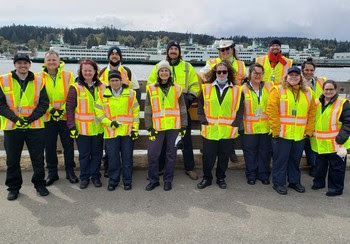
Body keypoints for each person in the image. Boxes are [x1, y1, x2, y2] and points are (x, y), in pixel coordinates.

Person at [147, 40, 200, 180]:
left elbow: (195, 85)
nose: (173, 51)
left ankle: (189, 167)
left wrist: (189, 97)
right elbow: (150, 85)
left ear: (179, 51)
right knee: (163, 141)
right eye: (171, 49)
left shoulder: (187, 67)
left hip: (182, 109)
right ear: (167, 51)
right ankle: (161, 167)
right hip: (163, 112)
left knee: (185, 139)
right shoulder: (159, 66)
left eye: (176, 49)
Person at [0, 53, 49, 200]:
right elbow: (0, 104)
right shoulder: (3, 80)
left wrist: (30, 119)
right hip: (12, 127)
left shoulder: (40, 81)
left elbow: (44, 103)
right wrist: (15, 119)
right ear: (14, 65)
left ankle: (40, 184)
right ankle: (13, 187)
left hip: (34, 126)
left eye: (25, 63)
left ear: (29, 64)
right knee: (12, 160)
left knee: (38, 158)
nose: (23, 65)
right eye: (19, 63)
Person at [267, 66, 316, 195]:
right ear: (286, 77)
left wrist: (309, 131)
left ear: (300, 78)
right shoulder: (277, 90)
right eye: (291, 75)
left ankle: (294, 182)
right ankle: (278, 183)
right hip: (282, 134)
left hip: (299, 134)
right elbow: (272, 112)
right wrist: (276, 131)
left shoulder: (309, 92)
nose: (293, 77)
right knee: (280, 160)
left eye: (296, 75)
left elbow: (312, 113)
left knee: (295, 160)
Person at [197, 60, 244, 189]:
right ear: (215, 73)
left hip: (228, 130)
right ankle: (207, 178)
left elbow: (240, 109)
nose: (221, 74)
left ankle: (221, 178)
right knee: (208, 157)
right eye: (219, 72)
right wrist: (202, 119)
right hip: (210, 129)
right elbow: (200, 105)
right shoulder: (206, 88)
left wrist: (236, 123)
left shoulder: (237, 90)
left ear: (228, 73)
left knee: (224, 157)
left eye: (224, 71)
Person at [199, 40, 246, 163]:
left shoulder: (241, 64)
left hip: (234, 99)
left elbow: (246, 80)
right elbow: (201, 73)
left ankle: (230, 150)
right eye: (222, 50)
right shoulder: (213, 63)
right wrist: (209, 83)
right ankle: (213, 148)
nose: (225, 52)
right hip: (218, 96)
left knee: (234, 125)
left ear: (232, 49)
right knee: (216, 124)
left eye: (227, 49)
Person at [36, 50, 78, 186]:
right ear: (44, 62)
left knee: (68, 146)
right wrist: (50, 110)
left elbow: (72, 96)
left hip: (65, 117)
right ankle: (52, 173)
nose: (52, 62)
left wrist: (62, 110)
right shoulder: (38, 77)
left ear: (59, 61)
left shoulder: (69, 75)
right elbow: (37, 98)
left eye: (54, 60)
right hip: (48, 117)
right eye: (49, 60)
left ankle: (70, 171)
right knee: (49, 146)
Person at [144, 60, 188, 191]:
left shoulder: (177, 88)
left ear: (170, 73)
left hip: (174, 127)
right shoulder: (151, 89)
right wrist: (149, 127)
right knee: (153, 154)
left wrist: (184, 126)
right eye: (162, 70)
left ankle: (168, 180)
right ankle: (153, 180)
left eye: (166, 70)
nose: (164, 73)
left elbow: (183, 108)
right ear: (158, 73)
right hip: (157, 127)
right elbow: (147, 109)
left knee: (171, 155)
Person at [99, 45, 140, 177]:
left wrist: (129, 107)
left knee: (126, 149)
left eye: (117, 54)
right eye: (112, 54)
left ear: (120, 57)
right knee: (109, 147)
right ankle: (108, 169)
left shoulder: (127, 71)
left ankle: (126, 172)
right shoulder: (102, 72)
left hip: (125, 116)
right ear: (109, 57)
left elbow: (137, 91)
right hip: (108, 117)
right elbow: (97, 92)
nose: (114, 56)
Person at [95, 70, 140, 191]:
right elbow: (99, 113)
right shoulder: (102, 94)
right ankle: (113, 181)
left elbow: (135, 113)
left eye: (117, 80)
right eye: (112, 80)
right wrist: (110, 123)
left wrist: (135, 129)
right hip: (111, 132)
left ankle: (127, 181)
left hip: (127, 132)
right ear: (109, 82)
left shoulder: (130, 94)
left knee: (127, 158)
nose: (115, 83)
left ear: (121, 81)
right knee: (113, 159)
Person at [66, 58, 105, 189]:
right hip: (82, 129)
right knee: (84, 155)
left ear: (95, 71)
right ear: (81, 72)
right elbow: (70, 108)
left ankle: (95, 176)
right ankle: (84, 177)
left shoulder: (102, 86)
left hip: (99, 128)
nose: (88, 73)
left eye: (90, 70)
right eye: (85, 70)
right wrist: (71, 126)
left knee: (97, 154)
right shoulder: (75, 87)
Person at [311, 80, 350, 197]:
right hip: (320, 142)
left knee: (336, 168)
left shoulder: (343, 103)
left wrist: (341, 138)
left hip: (337, 143)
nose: (328, 91)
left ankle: (335, 188)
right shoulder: (317, 103)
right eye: (326, 89)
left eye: (331, 89)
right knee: (320, 166)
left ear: (335, 90)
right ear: (322, 90)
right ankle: (319, 183)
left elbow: (348, 123)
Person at [241, 63, 273, 185]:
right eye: (255, 73)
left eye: (260, 73)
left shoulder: (269, 87)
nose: (258, 75)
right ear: (250, 74)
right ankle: (251, 175)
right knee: (250, 153)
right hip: (249, 129)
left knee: (265, 152)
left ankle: (264, 174)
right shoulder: (242, 89)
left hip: (265, 128)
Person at [301, 57, 327, 177]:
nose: (309, 72)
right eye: (306, 70)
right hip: (301, 116)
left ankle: (314, 165)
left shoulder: (321, 82)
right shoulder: (297, 81)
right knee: (302, 140)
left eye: (311, 70)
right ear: (302, 70)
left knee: (313, 141)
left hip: (316, 116)